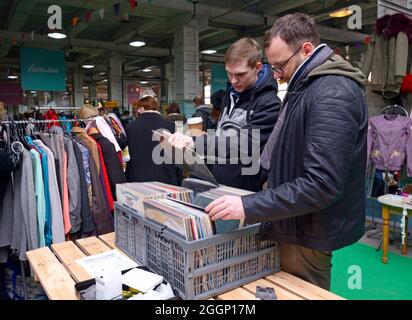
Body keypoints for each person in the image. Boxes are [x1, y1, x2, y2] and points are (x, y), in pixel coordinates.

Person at [204, 13, 368, 290]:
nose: (277, 75)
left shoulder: (332, 94)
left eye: (280, 65)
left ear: (306, 50)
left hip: (307, 230)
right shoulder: (307, 87)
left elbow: (322, 184)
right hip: (293, 221)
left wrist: (248, 205)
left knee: (300, 292)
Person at [167, 37, 281, 192]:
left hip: (244, 191)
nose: (234, 80)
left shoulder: (269, 103)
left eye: (240, 74)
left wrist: (197, 142)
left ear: (258, 67)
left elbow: (245, 144)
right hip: (218, 183)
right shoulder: (231, 94)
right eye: (229, 73)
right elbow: (225, 134)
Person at [125, 96, 182, 185]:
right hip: (166, 177)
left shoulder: (131, 127)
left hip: (139, 178)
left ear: (141, 108)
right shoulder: (171, 126)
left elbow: (131, 154)